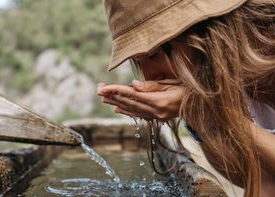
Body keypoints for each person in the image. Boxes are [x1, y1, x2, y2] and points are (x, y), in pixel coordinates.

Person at [96, 0, 275, 196]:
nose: (149, 76)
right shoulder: (221, 72)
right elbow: (245, 173)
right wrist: (197, 112)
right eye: (140, 62)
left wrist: (206, 108)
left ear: (202, 31)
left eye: (154, 55)